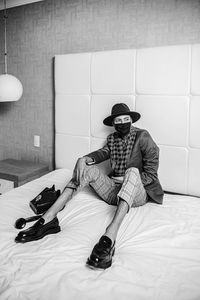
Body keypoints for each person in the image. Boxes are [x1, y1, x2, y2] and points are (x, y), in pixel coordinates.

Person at [15, 103, 164, 270]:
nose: (122, 123)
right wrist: (83, 159)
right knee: (89, 169)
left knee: (132, 171)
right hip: (114, 191)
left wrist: (129, 181)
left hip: (137, 192)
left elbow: (151, 175)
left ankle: (109, 236)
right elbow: (103, 153)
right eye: (118, 120)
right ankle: (49, 218)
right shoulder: (112, 139)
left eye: (126, 119)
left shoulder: (143, 137)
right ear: (113, 123)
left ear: (131, 120)